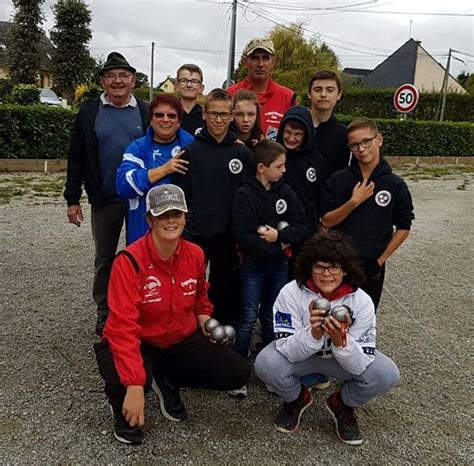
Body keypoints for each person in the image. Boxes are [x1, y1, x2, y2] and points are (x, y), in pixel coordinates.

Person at [94, 184, 250, 445]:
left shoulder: (196, 254)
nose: (170, 220)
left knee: (236, 371)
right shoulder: (128, 261)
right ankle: (128, 395)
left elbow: (200, 296)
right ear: (149, 220)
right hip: (137, 339)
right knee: (127, 384)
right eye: (162, 214)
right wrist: (133, 385)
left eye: (176, 213)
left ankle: (165, 377)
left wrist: (203, 318)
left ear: (185, 217)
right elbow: (122, 326)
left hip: (178, 338)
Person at [254, 231, 400, 445]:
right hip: (304, 357)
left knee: (387, 374)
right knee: (266, 363)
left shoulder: (362, 301)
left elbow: (361, 364)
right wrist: (313, 334)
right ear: (309, 267)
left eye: (334, 267)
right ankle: (296, 399)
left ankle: (342, 404)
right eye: (319, 267)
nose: (326, 274)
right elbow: (285, 348)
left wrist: (342, 341)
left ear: (345, 270)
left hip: (340, 361)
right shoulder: (290, 292)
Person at [64, 51, 149, 336]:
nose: (117, 81)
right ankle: (105, 311)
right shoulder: (90, 111)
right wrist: (72, 198)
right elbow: (76, 155)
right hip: (105, 198)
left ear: (133, 80)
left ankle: (142, 307)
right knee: (105, 259)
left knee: (141, 255)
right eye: (111, 76)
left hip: (139, 199)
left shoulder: (146, 110)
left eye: (123, 75)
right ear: (102, 81)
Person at [231, 140, 307, 397]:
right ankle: (238, 371)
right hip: (253, 266)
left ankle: (272, 371)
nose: (284, 170)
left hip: (279, 266)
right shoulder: (244, 195)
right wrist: (277, 245)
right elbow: (244, 235)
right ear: (262, 168)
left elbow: (301, 225)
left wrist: (281, 235)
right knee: (248, 317)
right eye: (279, 165)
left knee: (273, 317)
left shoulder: (286, 191)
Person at [173, 88, 251, 325]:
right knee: (190, 286)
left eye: (224, 115)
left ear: (231, 116)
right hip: (196, 235)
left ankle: (222, 335)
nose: (219, 120)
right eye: (214, 114)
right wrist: (184, 232)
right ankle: (187, 331)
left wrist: (242, 234)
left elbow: (248, 198)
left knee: (224, 288)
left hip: (228, 236)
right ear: (204, 114)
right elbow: (181, 197)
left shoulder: (242, 153)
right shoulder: (189, 153)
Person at [321, 117, 414, 310]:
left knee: (364, 316)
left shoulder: (395, 185)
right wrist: (353, 202)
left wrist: (381, 259)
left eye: (366, 142)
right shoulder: (338, 180)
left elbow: (404, 227)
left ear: (379, 139)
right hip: (339, 264)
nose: (361, 149)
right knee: (333, 316)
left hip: (372, 265)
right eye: (355, 145)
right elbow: (326, 221)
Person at [116, 94, 194, 244]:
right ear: (151, 120)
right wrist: (164, 170)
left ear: (179, 121)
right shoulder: (137, 148)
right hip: (144, 231)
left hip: (182, 234)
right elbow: (123, 186)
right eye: (159, 115)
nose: (165, 119)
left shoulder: (192, 146)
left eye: (171, 116)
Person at [228, 37, 297, 141]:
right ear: (245, 61)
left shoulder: (288, 98)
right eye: (255, 58)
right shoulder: (230, 95)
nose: (260, 64)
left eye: (265, 58)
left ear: (273, 62)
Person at [308, 70, 350, 178]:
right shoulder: (294, 126)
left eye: (330, 90)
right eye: (318, 90)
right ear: (309, 94)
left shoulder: (343, 134)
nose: (323, 94)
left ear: (339, 95)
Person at [175, 63, 205, 136]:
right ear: (177, 86)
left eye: (194, 82)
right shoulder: (168, 115)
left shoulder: (206, 116)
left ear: (201, 88)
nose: (189, 85)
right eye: (184, 81)